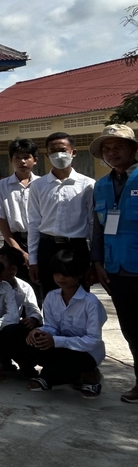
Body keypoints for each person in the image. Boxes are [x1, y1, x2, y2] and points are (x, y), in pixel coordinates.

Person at [88, 124, 138, 403]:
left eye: (118, 145)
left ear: (133, 148)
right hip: (115, 269)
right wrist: (97, 261)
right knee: (131, 330)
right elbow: (97, 227)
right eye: (106, 148)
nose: (112, 152)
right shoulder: (102, 186)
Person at [16, 250, 107, 397]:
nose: (61, 278)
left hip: (85, 352)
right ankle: (68, 374)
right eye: (57, 273)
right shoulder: (52, 297)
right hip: (59, 346)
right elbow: (52, 327)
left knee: (66, 364)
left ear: (79, 275)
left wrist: (56, 341)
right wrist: (40, 332)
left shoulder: (91, 303)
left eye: (67, 274)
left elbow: (93, 341)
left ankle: (90, 375)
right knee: (26, 343)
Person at [27, 132, 94, 300]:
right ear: (46, 154)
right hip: (47, 247)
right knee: (50, 295)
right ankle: (51, 326)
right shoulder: (38, 186)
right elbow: (34, 223)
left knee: (80, 296)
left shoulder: (88, 185)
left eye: (63, 150)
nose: (59, 155)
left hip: (77, 248)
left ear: (73, 152)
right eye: (53, 151)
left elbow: (93, 224)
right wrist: (33, 260)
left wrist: (95, 260)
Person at [0, 139, 39, 290]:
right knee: (15, 286)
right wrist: (18, 250)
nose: (22, 161)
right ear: (10, 160)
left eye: (26, 157)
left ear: (35, 160)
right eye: (17, 157)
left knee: (38, 283)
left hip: (39, 239)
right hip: (13, 241)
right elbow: (0, 220)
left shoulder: (42, 185)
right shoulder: (1, 186)